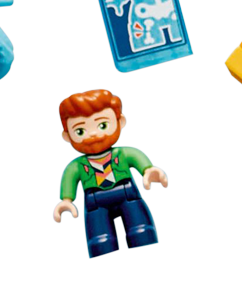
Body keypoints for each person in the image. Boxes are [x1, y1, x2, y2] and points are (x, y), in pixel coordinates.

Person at [52, 90, 169, 259]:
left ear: (120, 122)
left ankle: (142, 232)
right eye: (80, 131)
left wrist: (148, 170)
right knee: (100, 239)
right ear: (67, 136)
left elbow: (137, 158)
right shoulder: (77, 166)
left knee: (140, 228)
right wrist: (66, 200)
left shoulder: (123, 154)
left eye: (102, 125)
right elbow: (70, 177)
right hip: (95, 204)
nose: (93, 134)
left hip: (127, 194)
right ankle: (101, 242)